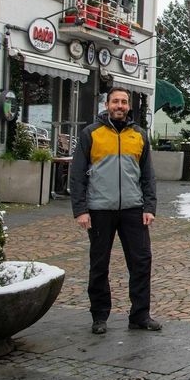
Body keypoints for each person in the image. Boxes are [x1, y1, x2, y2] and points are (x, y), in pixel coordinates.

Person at [70, 87, 161, 334]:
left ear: (128, 106)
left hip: (133, 209)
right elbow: (77, 175)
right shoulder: (91, 134)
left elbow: (148, 175)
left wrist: (149, 206)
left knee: (141, 262)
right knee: (99, 264)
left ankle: (140, 315)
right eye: (115, 102)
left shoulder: (139, 135)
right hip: (99, 209)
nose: (119, 106)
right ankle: (99, 316)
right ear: (107, 105)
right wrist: (80, 210)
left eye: (123, 102)